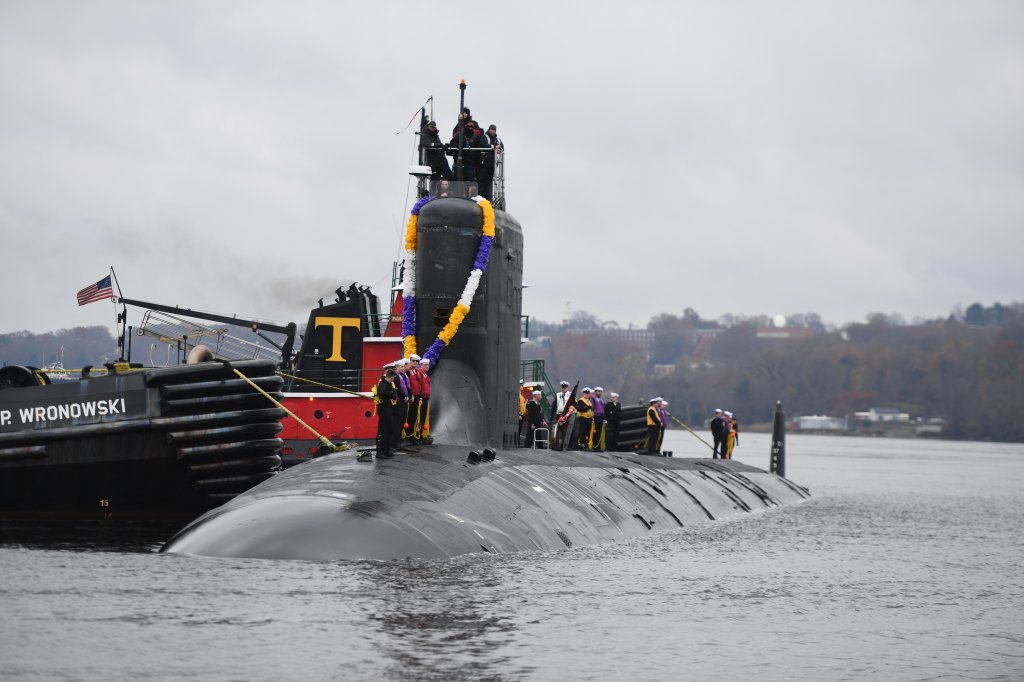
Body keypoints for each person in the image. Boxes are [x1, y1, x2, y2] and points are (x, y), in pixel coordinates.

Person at [374, 366, 399, 459]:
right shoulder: (382, 384)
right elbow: (383, 393)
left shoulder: (388, 384)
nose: (393, 379)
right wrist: (392, 391)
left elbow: (393, 395)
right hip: (383, 408)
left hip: (388, 408)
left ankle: (387, 450)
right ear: (391, 377)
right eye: (393, 378)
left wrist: (392, 392)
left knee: (390, 429)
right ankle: (380, 451)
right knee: (383, 430)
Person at [478, 124, 503, 200]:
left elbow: (502, 147)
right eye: (491, 129)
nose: (492, 131)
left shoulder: (498, 139)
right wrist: (494, 147)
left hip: (493, 164)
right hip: (484, 163)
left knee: (489, 182)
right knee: (482, 181)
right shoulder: (485, 137)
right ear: (489, 130)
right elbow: (482, 144)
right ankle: (481, 196)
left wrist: (498, 148)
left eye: (494, 130)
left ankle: (488, 198)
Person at [591, 387, 606, 451]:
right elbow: (592, 408)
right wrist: (592, 417)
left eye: (600, 392)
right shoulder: (593, 399)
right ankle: (594, 446)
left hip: (601, 417)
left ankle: (598, 446)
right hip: (595, 417)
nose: (599, 393)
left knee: (599, 432)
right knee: (595, 432)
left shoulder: (601, 399)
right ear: (595, 392)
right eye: (598, 391)